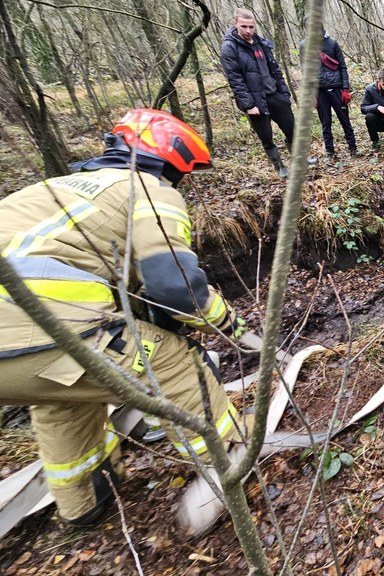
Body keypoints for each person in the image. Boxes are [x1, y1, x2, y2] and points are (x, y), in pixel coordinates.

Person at [0, 109, 245, 527]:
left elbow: (118, 288)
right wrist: (224, 324)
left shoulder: (46, 191)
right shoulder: (147, 189)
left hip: (26, 356)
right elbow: (175, 287)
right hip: (49, 327)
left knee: (61, 397)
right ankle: (231, 462)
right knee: (176, 363)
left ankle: (82, 504)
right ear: (166, 161)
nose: (177, 183)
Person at [220, 7, 296, 178]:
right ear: (235, 24)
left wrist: (284, 93)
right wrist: (249, 104)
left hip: (275, 94)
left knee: (292, 129)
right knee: (266, 136)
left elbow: (275, 69)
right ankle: (279, 167)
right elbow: (235, 80)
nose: (248, 31)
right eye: (244, 27)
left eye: (251, 27)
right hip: (255, 101)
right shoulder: (229, 48)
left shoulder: (261, 43)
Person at [299, 22, 362, 160]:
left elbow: (343, 67)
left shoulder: (332, 43)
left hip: (337, 88)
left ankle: (353, 148)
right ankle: (330, 152)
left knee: (345, 121)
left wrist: (345, 89)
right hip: (319, 91)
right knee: (325, 123)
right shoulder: (304, 46)